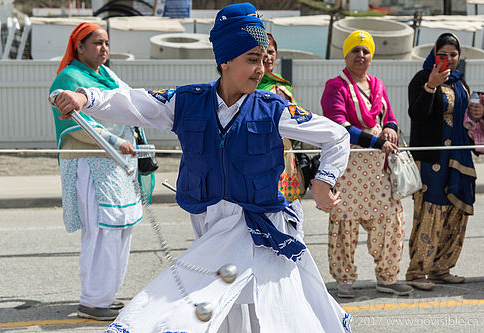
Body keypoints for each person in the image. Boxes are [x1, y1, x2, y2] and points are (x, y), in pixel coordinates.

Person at [51, 3, 352, 332]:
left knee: (229, 306)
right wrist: (86, 99)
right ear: (225, 60)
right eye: (252, 59)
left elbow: (336, 135)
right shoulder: (187, 102)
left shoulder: (273, 110)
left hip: (255, 227)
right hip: (208, 226)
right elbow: (133, 102)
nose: (260, 70)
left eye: (263, 59)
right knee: (227, 310)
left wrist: (324, 181)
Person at [49, 22, 146, 321]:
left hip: (119, 167)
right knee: (102, 231)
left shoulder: (107, 75)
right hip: (92, 165)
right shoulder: (68, 78)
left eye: (107, 42)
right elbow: (73, 124)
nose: (104, 48)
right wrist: (115, 141)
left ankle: (106, 296)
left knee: (121, 228)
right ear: (79, 47)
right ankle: (91, 301)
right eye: (97, 43)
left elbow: (130, 104)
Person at [320, 30, 413, 298]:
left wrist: (390, 129)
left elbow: (390, 117)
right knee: (344, 225)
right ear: (346, 54)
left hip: (379, 170)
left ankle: (387, 277)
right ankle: (344, 279)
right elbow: (338, 126)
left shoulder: (377, 85)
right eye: (355, 50)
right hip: (348, 169)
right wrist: (375, 142)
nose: (361, 55)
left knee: (391, 220)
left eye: (366, 51)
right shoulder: (335, 87)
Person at [405, 32, 483, 290]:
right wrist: (431, 86)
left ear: (459, 57)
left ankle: (441, 268)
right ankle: (418, 271)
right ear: (434, 54)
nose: (448, 59)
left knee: (454, 213)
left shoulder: (461, 84)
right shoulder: (421, 78)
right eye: (443, 54)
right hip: (432, 159)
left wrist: (476, 112)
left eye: (453, 54)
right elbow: (416, 114)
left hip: (458, 158)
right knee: (431, 212)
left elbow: (467, 123)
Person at [257, 32, 306, 201]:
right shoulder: (247, 84)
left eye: (271, 52)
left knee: (288, 205)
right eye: (262, 51)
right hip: (260, 153)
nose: (267, 56)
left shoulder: (283, 85)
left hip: (286, 154)